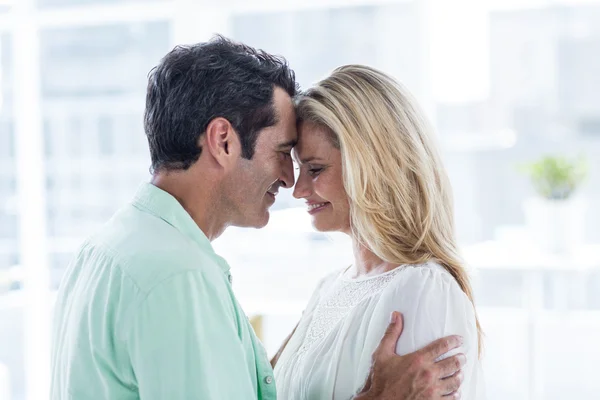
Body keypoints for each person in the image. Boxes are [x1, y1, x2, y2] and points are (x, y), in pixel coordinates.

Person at [50, 36, 466, 400]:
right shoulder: (178, 277)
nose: (290, 181)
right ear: (223, 141)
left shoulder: (105, 250)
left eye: (311, 167)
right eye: (283, 153)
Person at [273, 65, 485, 399]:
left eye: (315, 169)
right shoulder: (329, 289)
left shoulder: (424, 290)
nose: (298, 190)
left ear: (371, 165)